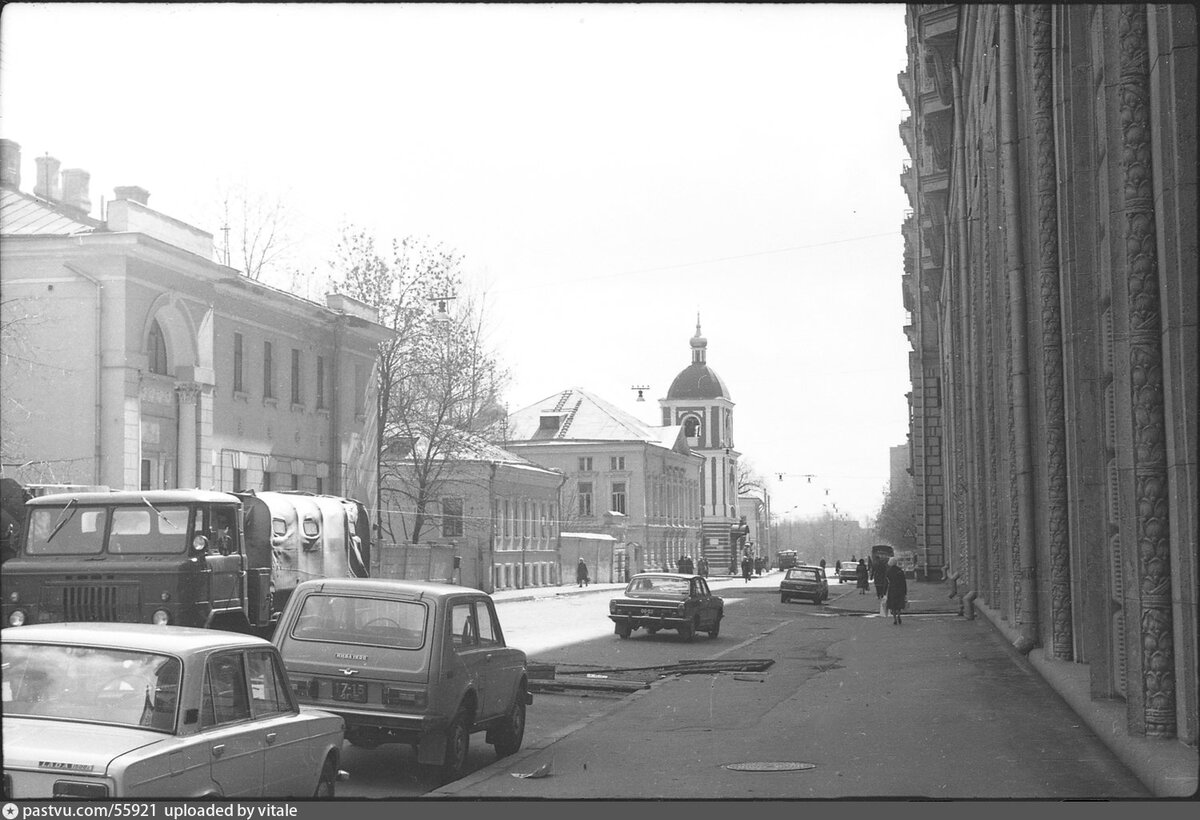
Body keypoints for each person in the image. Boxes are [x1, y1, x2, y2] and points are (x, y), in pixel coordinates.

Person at [885, 556, 908, 624]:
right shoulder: (900, 571)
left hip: (892, 589)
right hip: (900, 589)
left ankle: (894, 619)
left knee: (893, 605)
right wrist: (905, 591)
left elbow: (886, 582)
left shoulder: (888, 571)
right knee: (899, 604)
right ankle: (899, 615)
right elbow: (904, 582)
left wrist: (884, 592)